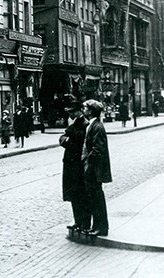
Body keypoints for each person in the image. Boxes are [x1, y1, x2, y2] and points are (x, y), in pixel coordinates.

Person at [82, 99, 112, 236]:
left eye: (85, 107)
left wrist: (89, 164)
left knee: (97, 197)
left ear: (91, 110)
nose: (83, 109)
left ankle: (101, 227)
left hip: (94, 169)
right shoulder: (92, 125)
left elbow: (97, 149)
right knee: (93, 197)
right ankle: (96, 226)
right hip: (93, 168)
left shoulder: (97, 127)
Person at [59, 99, 89, 233]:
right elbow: (63, 138)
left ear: (79, 111)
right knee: (73, 193)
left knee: (80, 193)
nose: (70, 114)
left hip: (78, 164)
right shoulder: (74, 123)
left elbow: (79, 140)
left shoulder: (85, 123)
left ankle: (83, 221)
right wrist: (67, 139)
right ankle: (77, 220)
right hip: (70, 164)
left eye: (72, 112)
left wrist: (68, 139)